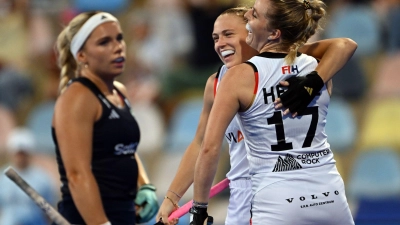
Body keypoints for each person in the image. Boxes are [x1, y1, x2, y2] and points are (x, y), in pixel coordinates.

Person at [156, 4, 357, 225]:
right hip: (289, 191)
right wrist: (171, 197)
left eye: (228, 34)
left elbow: (343, 46)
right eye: (215, 38)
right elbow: (200, 143)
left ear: (255, 31)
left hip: (267, 196)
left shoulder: (289, 57)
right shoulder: (216, 82)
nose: (220, 43)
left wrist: (199, 209)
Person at [52, 11, 158, 225]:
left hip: (124, 213)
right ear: (81, 56)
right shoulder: (78, 98)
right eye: (104, 42)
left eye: (119, 38)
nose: (118, 47)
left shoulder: (120, 92)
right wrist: (100, 223)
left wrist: (144, 185)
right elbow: (77, 174)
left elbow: (126, 149)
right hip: (89, 216)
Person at [0, 127, 57, 225]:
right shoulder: (2, 177)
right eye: (17, 153)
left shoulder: (42, 179)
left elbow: (49, 211)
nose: (20, 157)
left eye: (23, 153)